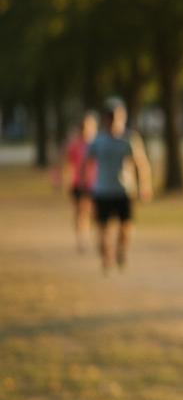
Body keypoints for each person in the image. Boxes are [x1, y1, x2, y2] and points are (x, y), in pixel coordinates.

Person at [84, 99, 153, 273]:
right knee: (102, 227)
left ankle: (121, 251)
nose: (113, 120)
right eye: (110, 117)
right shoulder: (98, 140)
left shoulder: (129, 139)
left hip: (124, 190)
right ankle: (106, 256)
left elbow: (141, 164)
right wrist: (86, 184)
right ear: (105, 119)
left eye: (117, 116)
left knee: (126, 226)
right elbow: (86, 162)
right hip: (102, 190)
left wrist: (144, 186)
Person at [55, 111, 99, 251]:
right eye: (83, 127)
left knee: (94, 212)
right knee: (80, 211)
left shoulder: (98, 143)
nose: (86, 129)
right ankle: (82, 238)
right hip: (78, 183)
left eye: (89, 126)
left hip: (95, 183)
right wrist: (62, 179)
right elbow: (65, 162)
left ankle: (94, 235)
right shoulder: (74, 144)